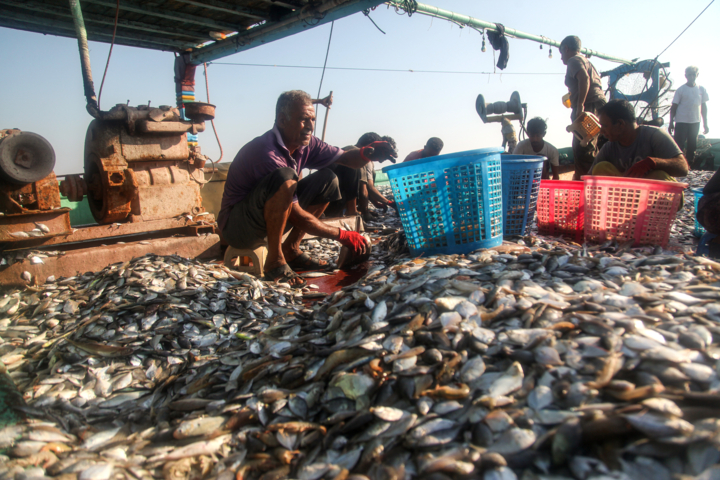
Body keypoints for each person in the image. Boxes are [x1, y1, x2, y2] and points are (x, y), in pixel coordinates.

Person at [218, 90, 397, 286]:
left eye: (313, 119)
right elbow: (295, 214)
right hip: (237, 229)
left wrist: (366, 154)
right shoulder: (266, 152)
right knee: (285, 177)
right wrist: (342, 235)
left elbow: (345, 158)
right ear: (282, 119)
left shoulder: (306, 144)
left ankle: (291, 248)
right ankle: (275, 261)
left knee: (329, 179)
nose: (310, 126)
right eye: (304, 119)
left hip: (263, 219)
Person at [589, 100, 688, 183]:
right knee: (600, 168)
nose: (601, 132)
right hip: (623, 197)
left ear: (620, 124)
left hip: (652, 198)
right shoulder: (609, 147)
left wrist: (652, 163)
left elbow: (683, 168)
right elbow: (587, 178)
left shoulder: (655, 135)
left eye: (605, 126)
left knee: (659, 175)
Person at [559, 35, 607, 180]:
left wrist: (580, 105)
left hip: (588, 107)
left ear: (566, 49)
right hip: (598, 105)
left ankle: (585, 184)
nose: (561, 58)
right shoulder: (587, 61)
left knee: (583, 148)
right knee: (596, 146)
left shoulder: (574, 60)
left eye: (561, 53)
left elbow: (584, 78)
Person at [325, 132, 396, 219]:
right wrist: (365, 213)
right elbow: (364, 190)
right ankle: (352, 212)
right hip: (331, 207)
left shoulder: (346, 150)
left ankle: (352, 211)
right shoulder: (358, 158)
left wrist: (375, 203)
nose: (380, 160)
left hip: (325, 203)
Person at [669, 66, 710, 169]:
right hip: (681, 122)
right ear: (685, 76)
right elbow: (674, 107)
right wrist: (671, 123)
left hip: (695, 122)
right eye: (689, 75)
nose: (691, 77)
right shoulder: (681, 90)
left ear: (697, 75)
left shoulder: (701, 89)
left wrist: (706, 123)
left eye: (693, 74)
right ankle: (678, 166)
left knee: (692, 146)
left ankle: (689, 167)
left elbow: (704, 107)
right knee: (679, 146)